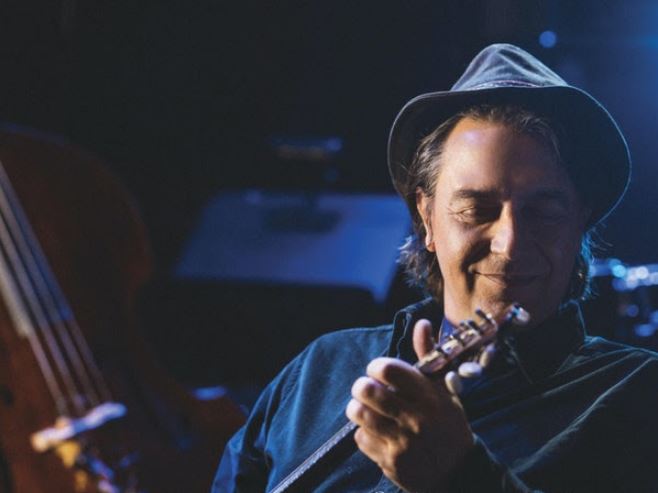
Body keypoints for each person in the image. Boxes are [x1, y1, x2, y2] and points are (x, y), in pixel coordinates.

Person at [212, 44, 658, 492]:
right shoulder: (320, 369)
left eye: (543, 212)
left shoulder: (639, 394)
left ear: (580, 222)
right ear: (426, 219)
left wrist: (460, 476)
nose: (510, 244)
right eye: (477, 210)